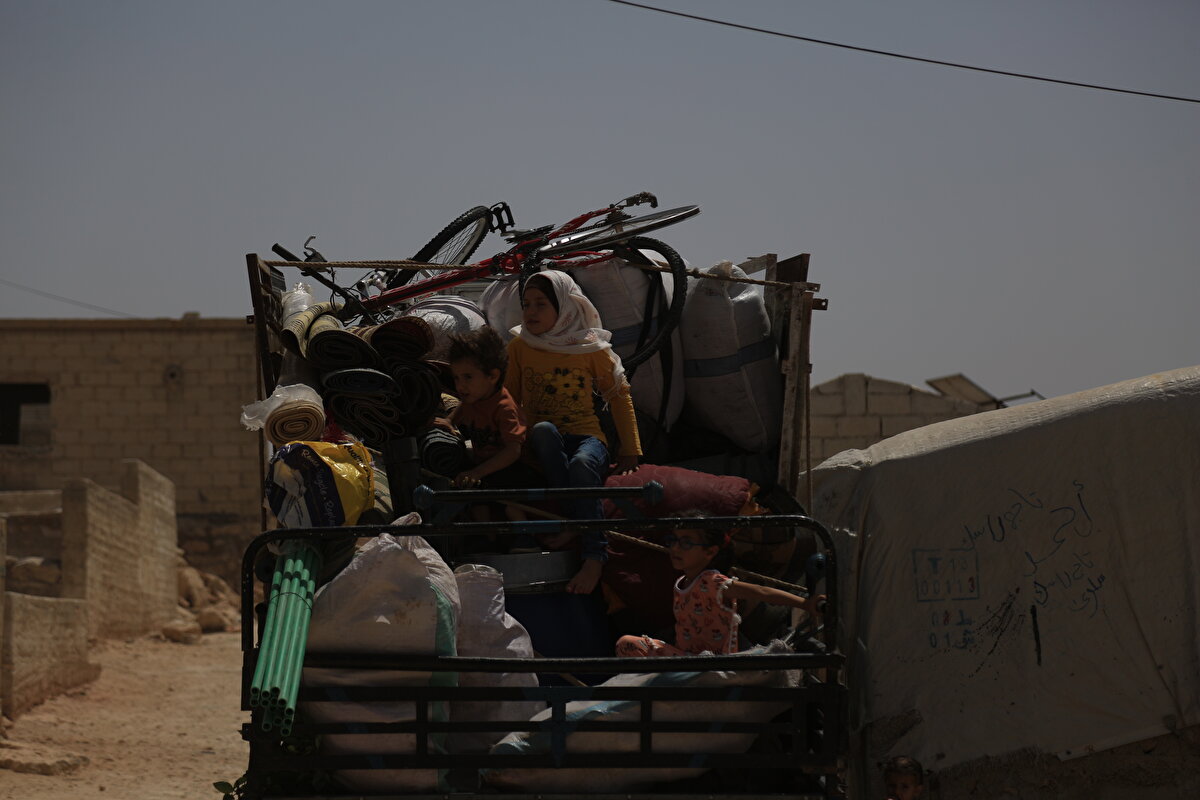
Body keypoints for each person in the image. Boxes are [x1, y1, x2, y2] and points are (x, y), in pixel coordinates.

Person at [504, 270, 642, 594]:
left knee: (581, 464)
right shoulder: (519, 346)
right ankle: (573, 518)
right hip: (544, 440)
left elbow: (620, 396)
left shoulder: (590, 347)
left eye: (541, 304)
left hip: (588, 437)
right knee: (543, 430)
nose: (531, 311)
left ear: (564, 307)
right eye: (527, 304)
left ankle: (595, 556)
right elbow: (510, 400)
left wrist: (630, 450)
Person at [615, 512, 825, 657]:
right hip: (685, 658)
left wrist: (805, 604)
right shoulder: (681, 582)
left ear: (710, 552)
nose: (676, 548)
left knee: (629, 643)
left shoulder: (714, 582)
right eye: (674, 540)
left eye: (686, 543)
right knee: (626, 644)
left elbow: (762, 592)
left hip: (710, 662)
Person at [446, 327, 539, 517]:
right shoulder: (474, 396)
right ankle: (487, 537)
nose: (460, 385)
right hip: (487, 466)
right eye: (456, 377)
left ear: (493, 376)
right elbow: (464, 406)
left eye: (468, 377)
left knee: (487, 493)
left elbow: (513, 451)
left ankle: (523, 539)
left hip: (515, 469)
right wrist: (449, 421)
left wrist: (478, 472)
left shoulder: (504, 408)